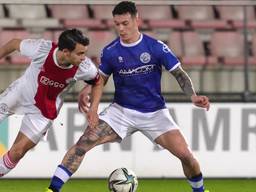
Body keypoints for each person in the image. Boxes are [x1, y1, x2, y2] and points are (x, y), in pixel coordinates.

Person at [46, 2, 210, 192]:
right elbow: (100, 79)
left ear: (136, 18)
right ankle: (52, 189)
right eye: (117, 24)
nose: (121, 28)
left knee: (186, 156)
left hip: (155, 113)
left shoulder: (156, 47)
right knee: (83, 143)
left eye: (125, 23)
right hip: (121, 111)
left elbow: (179, 74)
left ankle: (200, 191)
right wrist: (87, 91)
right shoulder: (111, 51)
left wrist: (193, 96)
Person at [0, 28, 102, 177]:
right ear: (66, 52)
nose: (83, 58)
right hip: (19, 94)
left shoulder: (85, 68)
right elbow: (15, 44)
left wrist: (93, 108)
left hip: (43, 112)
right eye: (80, 53)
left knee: (17, 152)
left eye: (85, 53)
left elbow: (98, 82)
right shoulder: (42, 49)